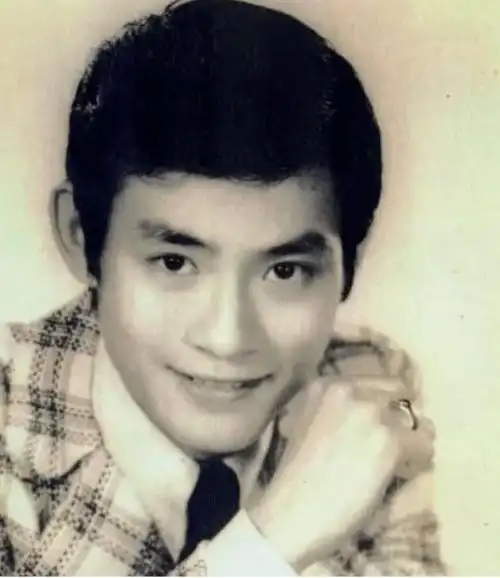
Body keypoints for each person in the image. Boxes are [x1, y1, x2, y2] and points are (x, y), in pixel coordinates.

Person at [0, 0, 445, 575]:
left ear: (348, 265)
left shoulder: (365, 384)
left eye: (284, 271)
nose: (228, 338)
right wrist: (272, 541)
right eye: (174, 263)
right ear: (80, 236)